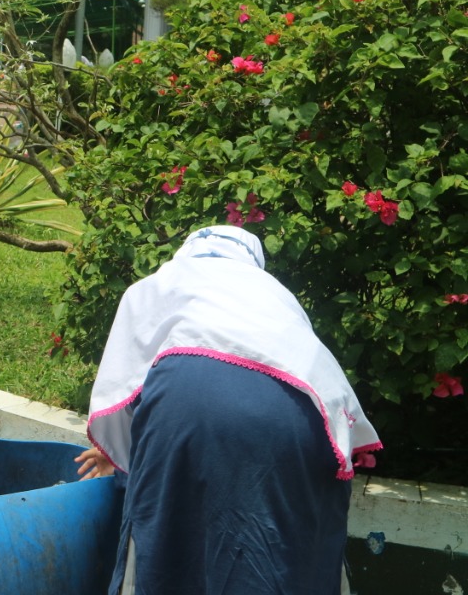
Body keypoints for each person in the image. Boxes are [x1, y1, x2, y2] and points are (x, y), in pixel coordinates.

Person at [75, 225, 381, 594]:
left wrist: (120, 461)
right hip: (303, 418)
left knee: (164, 544)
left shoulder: (161, 283)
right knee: (288, 553)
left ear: (186, 252)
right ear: (252, 262)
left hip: (186, 399)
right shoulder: (276, 295)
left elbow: (124, 387)